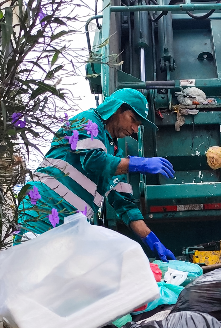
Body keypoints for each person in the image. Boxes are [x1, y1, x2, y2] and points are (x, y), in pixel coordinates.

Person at [16, 88, 176, 261]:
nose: (135, 129)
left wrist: (151, 239)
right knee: (29, 275)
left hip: (69, 230)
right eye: (133, 120)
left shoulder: (115, 154)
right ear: (118, 109)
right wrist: (138, 164)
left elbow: (125, 205)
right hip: (41, 215)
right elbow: (94, 161)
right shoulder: (87, 121)